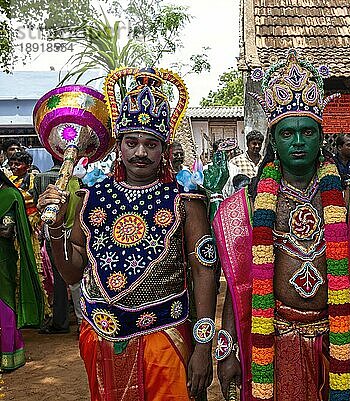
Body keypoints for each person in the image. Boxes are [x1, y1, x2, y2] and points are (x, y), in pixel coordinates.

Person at [213, 49, 350, 401]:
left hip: (337, 340)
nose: (297, 141)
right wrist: (227, 347)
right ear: (273, 141)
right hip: (273, 343)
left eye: (307, 131)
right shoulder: (248, 203)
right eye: (287, 133)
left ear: (320, 136)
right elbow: (238, 285)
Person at [37, 67, 217, 400]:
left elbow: (204, 273)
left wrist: (203, 345)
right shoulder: (90, 197)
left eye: (151, 144)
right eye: (131, 142)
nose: (140, 153)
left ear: (163, 148)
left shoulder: (186, 201)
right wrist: (58, 228)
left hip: (164, 338)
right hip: (102, 338)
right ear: (119, 145)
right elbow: (73, 271)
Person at [33, 156, 82, 334]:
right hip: (69, 231)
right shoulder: (79, 183)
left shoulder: (40, 178)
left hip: (57, 232)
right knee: (74, 282)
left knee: (61, 279)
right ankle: (80, 321)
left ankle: (62, 321)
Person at [0, 170, 43, 371]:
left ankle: (9, 353)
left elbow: (7, 231)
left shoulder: (9, 195)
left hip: (3, 259)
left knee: (4, 303)